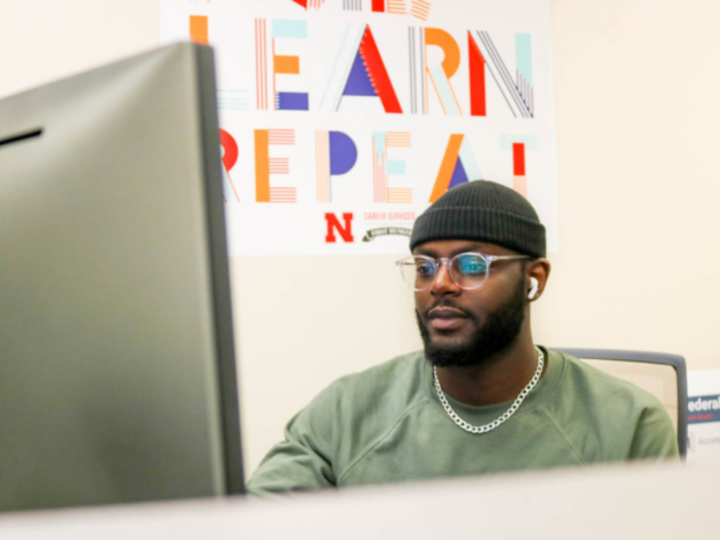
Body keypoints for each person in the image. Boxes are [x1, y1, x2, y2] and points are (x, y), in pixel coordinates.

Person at [247, 180, 678, 494]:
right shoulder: (346, 412)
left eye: (472, 266)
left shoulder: (627, 423)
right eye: (425, 266)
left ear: (534, 279)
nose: (440, 284)